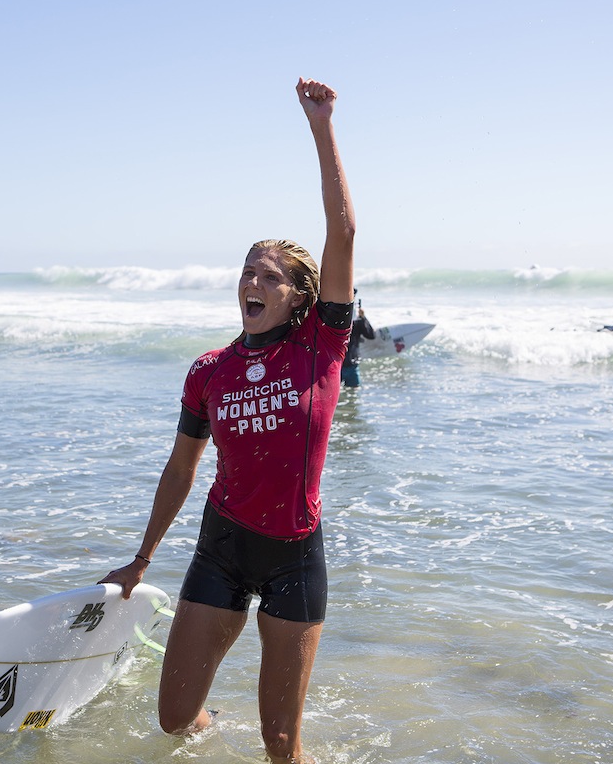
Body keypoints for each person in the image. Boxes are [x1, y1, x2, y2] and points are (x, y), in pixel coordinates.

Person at [100, 77, 354, 763]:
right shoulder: (208, 370)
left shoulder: (319, 346)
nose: (253, 283)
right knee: (176, 718)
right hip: (223, 544)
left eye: (271, 277)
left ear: (300, 297)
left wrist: (321, 125)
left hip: (293, 558)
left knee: (281, 746)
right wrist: (140, 558)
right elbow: (181, 467)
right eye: (248, 271)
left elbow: (344, 231)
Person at [340, 289, 375, 388]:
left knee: (353, 394)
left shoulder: (358, 321)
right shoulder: (336, 318)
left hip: (352, 364)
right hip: (337, 365)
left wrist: (363, 318)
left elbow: (371, 335)